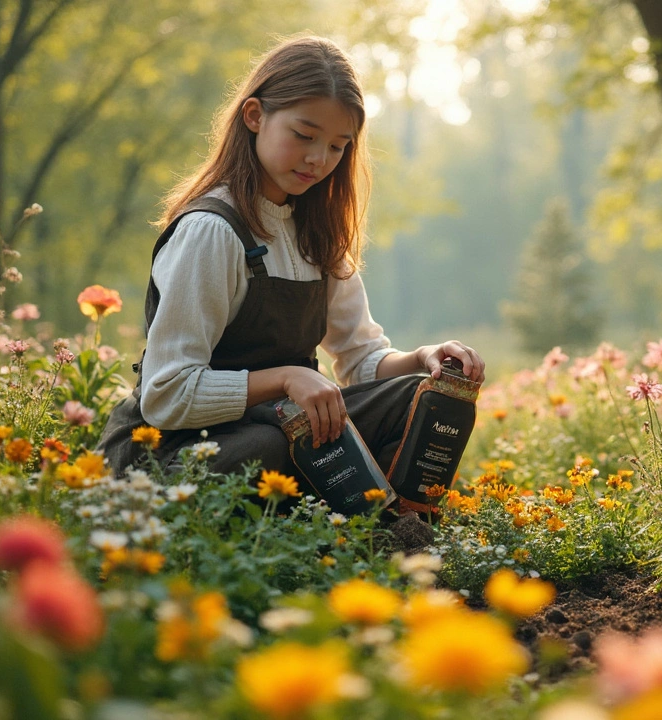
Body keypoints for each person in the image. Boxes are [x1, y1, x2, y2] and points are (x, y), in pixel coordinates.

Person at [98, 36, 485, 500]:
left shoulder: (317, 235)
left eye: (338, 146)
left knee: (422, 398)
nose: (318, 159)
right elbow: (166, 395)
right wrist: (286, 377)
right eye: (304, 135)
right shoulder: (211, 231)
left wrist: (424, 358)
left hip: (287, 433)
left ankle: (394, 525)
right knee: (267, 447)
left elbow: (361, 359)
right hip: (176, 452)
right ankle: (342, 525)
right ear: (255, 116)